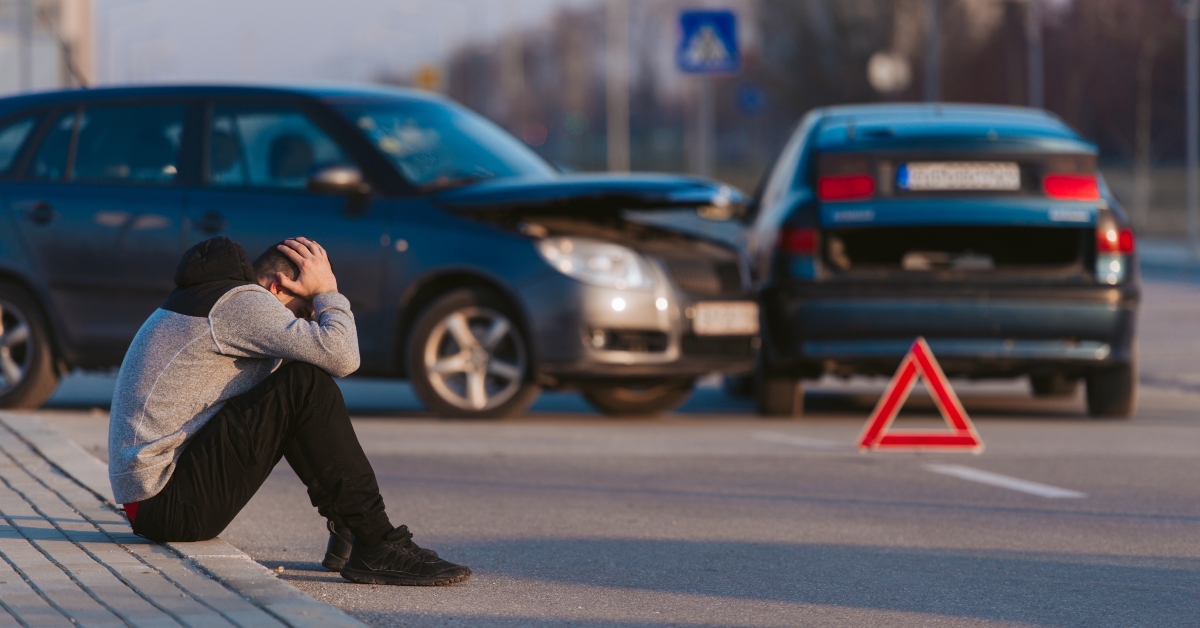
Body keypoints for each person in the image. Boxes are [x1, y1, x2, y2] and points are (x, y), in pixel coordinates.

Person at [108, 236, 471, 586]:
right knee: (304, 383)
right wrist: (328, 292)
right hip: (167, 504)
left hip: (156, 500)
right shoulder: (243, 304)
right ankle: (376, 542)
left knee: (296, 377)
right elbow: (344, 357)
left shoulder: (216, 298)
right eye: (302, 312)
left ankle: (351, 531)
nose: (307, 323)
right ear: (277, 287)